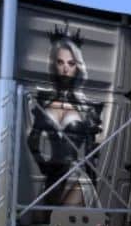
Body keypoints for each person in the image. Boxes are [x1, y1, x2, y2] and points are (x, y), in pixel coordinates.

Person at [26, 27, 104, 208]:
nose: (65, 69)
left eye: (71, 63)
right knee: (44, 222)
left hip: (77, 177)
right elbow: (32, 141)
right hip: (52, 177)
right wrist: (43, 165)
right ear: (54, 64)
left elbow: (92, 154)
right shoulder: (42, 101)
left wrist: (95, 187)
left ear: (78, 67)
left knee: (61, 217)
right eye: (60, 62)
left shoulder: (88, 107)